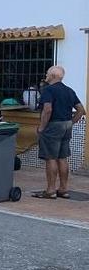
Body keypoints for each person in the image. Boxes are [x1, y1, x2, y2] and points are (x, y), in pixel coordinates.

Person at [33, 65, 85, 199]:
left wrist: (42, 127)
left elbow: (47, 109)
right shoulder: (69, 90)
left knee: (51, 158)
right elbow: (81, 110)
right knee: (62, 157)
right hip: (66, 125)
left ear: (53, 76)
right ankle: (63, 189)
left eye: (47, 73)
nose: (46, 75)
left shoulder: (48, 90)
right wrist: (71, 122)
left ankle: (50, 190)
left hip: (53, 126)